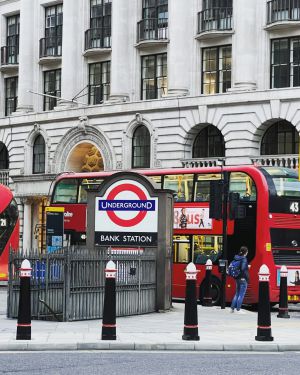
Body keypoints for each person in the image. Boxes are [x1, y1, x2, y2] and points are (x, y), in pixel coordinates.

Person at [230, 246, 249, 313]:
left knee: (237, 293)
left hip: (237, 277)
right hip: (242, 278)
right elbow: (243, 269)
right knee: (241, 294)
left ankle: (232, 309)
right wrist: (247, 267)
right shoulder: (244, 259)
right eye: (247, 252)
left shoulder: (236, 258)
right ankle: (238, 309)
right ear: (245, 252)